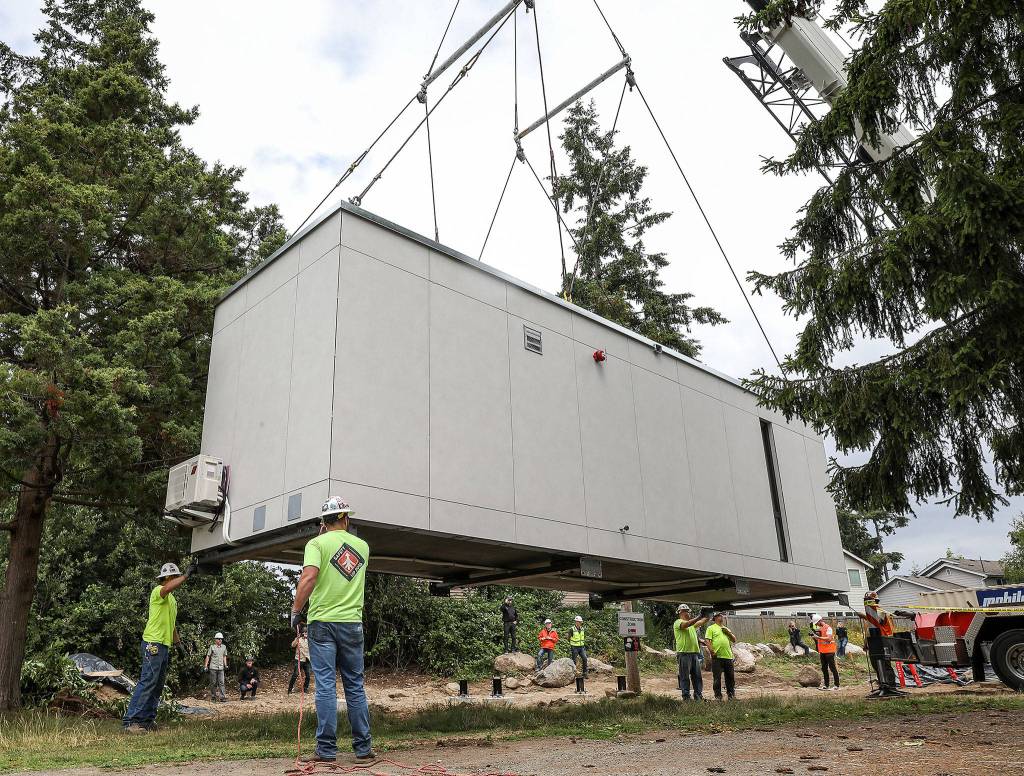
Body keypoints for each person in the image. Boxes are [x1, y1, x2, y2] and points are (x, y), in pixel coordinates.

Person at [290, 496, 375, 764]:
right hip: (352, 623)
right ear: (346, 518)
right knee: (355, 685)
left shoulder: (316, 544)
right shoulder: (363, 546)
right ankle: (363, 750)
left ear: (323, 522)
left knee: (325, 686)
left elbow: (309, 577)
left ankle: (326, 751)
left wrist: (295, 610)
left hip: (322, 623)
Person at [122, 562, 195, 733]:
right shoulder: (158, 591)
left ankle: (147, 720)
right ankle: (131, 721)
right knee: (148, 681)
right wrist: (186, 575)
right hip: (153, 643)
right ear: (168, 577)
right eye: (175, 576)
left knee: (157, 684)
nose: (177, 579)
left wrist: (178, 644)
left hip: (163, 645)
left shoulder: (172, 600)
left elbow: (172, 624)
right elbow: (167, 588)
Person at [673, 603, 710, 701]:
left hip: (694, 654)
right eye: (686, 611)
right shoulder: (678, 622)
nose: (688, 613)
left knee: (697, 677)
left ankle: (698, 696)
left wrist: (709, 613)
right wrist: (699, 616)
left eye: (688, 611)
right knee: (685, 677)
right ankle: (686, 697)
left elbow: (703, 620)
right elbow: (686, 624)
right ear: (680, 612)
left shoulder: (692, 626)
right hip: (684, 653)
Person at [704, 612, 737, 701]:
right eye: (719, 615)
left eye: (721, 615)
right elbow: (707, 641)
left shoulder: (726, 629)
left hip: (728, 656)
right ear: (715, 617)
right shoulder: (711, 628)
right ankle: (718, 697)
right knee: (717, 678)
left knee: (730, 677)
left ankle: (731, 696)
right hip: (717, 657)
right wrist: (712, 651)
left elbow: (734, 639)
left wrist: (728, 633)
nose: (721, 616)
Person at [810, 615, 839, 690]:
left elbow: (829, 638)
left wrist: (818, 637)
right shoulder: (820, 629)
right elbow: (820, 639)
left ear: (820, 621)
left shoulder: (828, 628)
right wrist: (815, 637)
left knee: (832, 668)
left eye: (817, 623)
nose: (816, 624)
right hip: (822, 651)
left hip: (830, 651)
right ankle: (826, 685)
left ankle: (836, 685)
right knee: (824, 668)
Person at [204, 632, 229, 702]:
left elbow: (224, 656)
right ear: (215, 640)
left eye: (221, 639)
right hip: (213, 667)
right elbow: (208, 656)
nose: (220, 640)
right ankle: (213, 697)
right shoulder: (212, 647)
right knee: (213, 683)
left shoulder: (224, 647)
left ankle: (222, 697)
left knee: (222, 683)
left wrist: (225, 665)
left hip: (221, 668)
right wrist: (205, 666)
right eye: (219, 639)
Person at [288, 624, 311, 694]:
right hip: (299, 660)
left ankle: (305, 688)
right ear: (302, 633)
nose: (306, 634)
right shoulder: (299, 639)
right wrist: (296, 639)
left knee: (308, 675)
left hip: (307, 660)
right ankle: (290, 689)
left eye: (307, 632)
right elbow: (292, 645)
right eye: (304, 632)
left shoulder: (309, 640)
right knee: (295, 674)